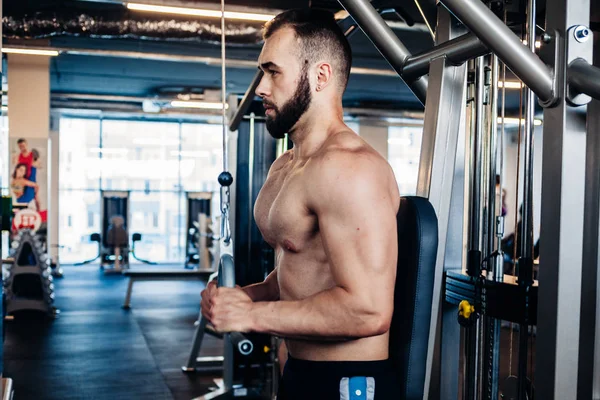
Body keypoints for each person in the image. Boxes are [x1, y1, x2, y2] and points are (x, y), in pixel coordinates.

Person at [201, 9, 401, 400]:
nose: (259, 87)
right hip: (299, 371)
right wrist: (245, 298)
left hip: (348, 382)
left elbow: (368, 310)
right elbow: (296, 274)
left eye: (273, 72)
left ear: (321, 76)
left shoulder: (351, 169)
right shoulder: (286, 165)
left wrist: (250, 316)